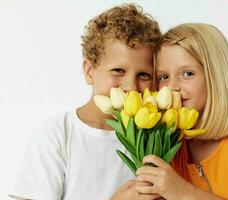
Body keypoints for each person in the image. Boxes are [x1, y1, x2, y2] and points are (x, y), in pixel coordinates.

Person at [9, 4, 161, 200]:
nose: (131, 86)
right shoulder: (56, 135)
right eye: (118, 71)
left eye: (144, 75)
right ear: (90, 71)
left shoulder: (153, 138)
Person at [135, 23, 228, 200]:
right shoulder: (170, 144)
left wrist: (183, 192)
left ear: (215, 76)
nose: (172, 87)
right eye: (164, 77)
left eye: (188, 73)